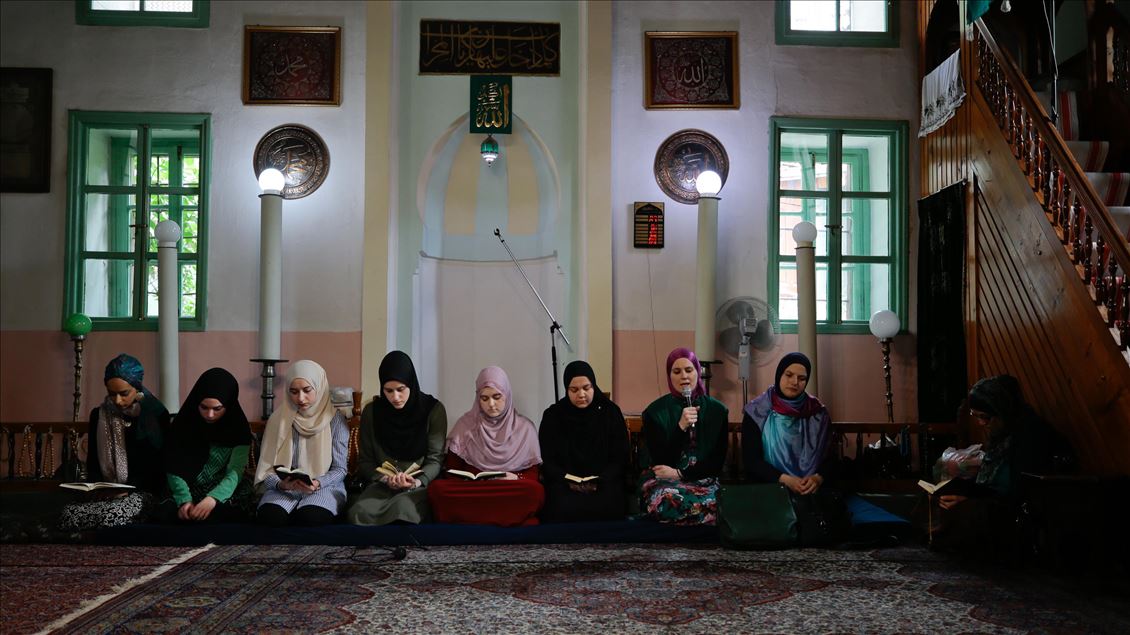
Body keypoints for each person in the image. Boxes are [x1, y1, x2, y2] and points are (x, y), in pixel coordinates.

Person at [931, 374, 1069, 553]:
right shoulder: (1002, 434)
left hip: (1018, 511)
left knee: (968, 511)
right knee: (942, 493)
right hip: (996, 499)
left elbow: (1019, 492)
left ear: (1001, 411)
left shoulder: (1030, 436)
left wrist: (970, 499)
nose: (981, 423)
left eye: (985, 417)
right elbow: (988, 483)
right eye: (976, 416)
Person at [57, 354, 170, 531]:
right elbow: (94, 460)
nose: (117, 400)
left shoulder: (154, 414)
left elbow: (158, 468)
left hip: (143, 492)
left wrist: (128, 489)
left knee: (114, 514)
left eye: (124, 394)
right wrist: (95, 487)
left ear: (137, 387)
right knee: (69, 512)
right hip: (107, 492)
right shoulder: (99, 415)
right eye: (111, 394)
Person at [427, 366, 544, 526]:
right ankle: (511, 519)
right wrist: (468, 480)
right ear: (477, 398)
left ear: (507, 395)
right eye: (484, 398)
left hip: (508, 489)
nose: (491, 404)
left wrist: (516, 478)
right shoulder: (466, 425)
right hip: (474, 490)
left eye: (497, 397)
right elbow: (452, 470)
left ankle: (469, 519)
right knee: (437, 489)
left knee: (534, 491)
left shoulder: (525, 428)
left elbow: (533, 473)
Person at [348, 351, 447, 525]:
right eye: (389, 391)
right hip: (382, 485)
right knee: (359, 513)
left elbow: (435, 459)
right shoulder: (372, 412)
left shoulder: (433, 410)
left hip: (418, 486)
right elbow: (366, 462)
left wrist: (417, 482)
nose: (395, 397)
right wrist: (386, 479)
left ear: (411, 383)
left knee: (404, 510)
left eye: (401, 389)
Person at [638, 347, 728, 525]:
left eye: (689, 370)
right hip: (665, 481)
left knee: (718, 502)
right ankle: (699, 520)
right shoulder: (655, 412)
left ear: (697, 372)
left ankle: (685, 521)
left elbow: (716, 462)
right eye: (676, 371)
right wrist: (681, 427)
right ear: (669, 376)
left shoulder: (717, 411)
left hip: (703, 478)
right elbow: (662, 461)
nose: (684, 377)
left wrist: (680, 473)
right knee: (666, 501)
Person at [253, 360, 349, 526]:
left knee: (310, 518)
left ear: (319, 387)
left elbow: (340, 469)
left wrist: (318, 482)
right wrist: (280, 484)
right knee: (270, 518)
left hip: (324, 487)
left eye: (307, 390)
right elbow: (267, 469)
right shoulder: (278, 419)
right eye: (294, 392)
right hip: (284, 490)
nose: (300, 398)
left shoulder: (335, 420)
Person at [158, 368, 254, 523]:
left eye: (217, 409)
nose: (209, 415)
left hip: (220, 487)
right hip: (186, 486)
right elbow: (173, 467)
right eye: (204, 407)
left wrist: (213, 499)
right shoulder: (183, 424)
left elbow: (235, 471)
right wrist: (184, 500)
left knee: (234, 510)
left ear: (228, 405)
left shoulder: (238, 428)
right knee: (166, 512)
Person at [538, 360, 629, 523]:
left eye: (586, 388)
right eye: (574, 389)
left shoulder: (610, 413)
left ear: (594, 386)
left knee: (611, 504)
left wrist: (600, 480)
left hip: (602, 483)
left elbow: (620, 458)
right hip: (565, 485)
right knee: (559, 505)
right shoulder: (553, 416)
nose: (581, 394)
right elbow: (548, 460)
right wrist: (567, 479)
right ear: (567, 389)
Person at [742, 352, 833, 494]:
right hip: (769, 489)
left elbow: (830, 459)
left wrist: (817, 479)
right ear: (779, 375)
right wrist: (785, 480)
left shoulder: (818, 413)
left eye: (802, 378)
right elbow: (751, 461)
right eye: (789, 375)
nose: (795, 382)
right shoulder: (757, 411)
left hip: (811, 491)